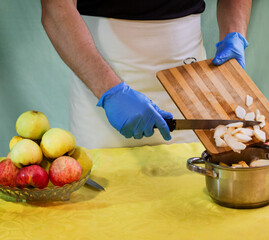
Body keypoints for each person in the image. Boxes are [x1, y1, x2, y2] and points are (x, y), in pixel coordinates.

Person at [40, 0, 252, 149]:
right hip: (100, 81)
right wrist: (110, 92)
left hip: (188, 83)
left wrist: (234, 34)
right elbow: (55, 8)